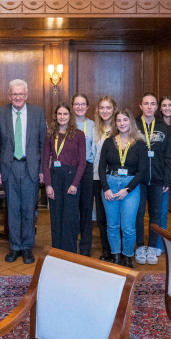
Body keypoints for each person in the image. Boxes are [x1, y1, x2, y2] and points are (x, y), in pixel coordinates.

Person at [0, 79, 46, 264]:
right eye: (14, 94)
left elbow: (42, 144)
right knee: (13, 209)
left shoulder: (38, 112)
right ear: (9, 95)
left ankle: (27, 247)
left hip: (30, 166)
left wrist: (41, 169)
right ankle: (15, 247)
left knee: (29, 209)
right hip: (9, 167)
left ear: (26, 95)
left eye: (21, 94)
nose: (17, 97)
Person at [98, 108, 149, 268]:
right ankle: (116, 256)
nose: (122, 123)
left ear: (131, 122)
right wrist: (106, 188)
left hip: (131, 187)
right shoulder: (108, 141)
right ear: (115, 123)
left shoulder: (140, 144)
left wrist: (127, 189)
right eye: (118, 120)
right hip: (110, 185)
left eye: (125, 120)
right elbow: (101, 167)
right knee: (112, 225)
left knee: (128, 226)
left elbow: (142, 171)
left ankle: (127, 257)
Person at [134, 93, 171, 266]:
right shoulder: (134, 124)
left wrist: (167, 179)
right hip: (138, 180)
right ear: (140, 106)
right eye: (146, 103)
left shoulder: (163, 127)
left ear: (157, 107)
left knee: (156, 215)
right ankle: (140, 246)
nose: (149, 107)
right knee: (138, 213)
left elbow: (169, 155)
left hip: (158, 180)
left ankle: (152, 247)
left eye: (152, 104)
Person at [43, 102, 86, 253]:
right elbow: (44, 161)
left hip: (71, 179)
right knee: (56, 216)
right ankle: (57, 252)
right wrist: (48, 184)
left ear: (70, 116)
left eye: (65, 114)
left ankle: (69, 253)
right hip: (55, 178)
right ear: (55, 116)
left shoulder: (79, 135)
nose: (62, 117)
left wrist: (75, 183)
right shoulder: (50, 135)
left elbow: (82, 162)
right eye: (59, 114)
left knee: (70, 217)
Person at [92, 95, 117, 262]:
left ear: (113, 109)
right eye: (102, 108)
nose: (105, 111)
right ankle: (106, 250)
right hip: (97, 177)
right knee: (101, 216)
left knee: (115, 216)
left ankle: (117, 249)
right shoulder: (95, 129)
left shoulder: (121, 127)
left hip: (115, 178)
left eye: (108, 108)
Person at [154, 95, 171, 255]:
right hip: (162, 171)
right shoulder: (156, 126)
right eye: (164, 105)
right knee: (161, 210)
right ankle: (158, 244)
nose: (167, 108)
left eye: (170, 105)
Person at [72, 94, 95, 256]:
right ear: (72, 106)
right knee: (72, 208)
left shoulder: (94, 125)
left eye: (83, 104)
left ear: (87, 107)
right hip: (71, 169)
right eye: (76, 104)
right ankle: (71, 243)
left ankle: (85, 246)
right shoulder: (67, 123)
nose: (80, 107)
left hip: (88, 168)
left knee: (86, 207)